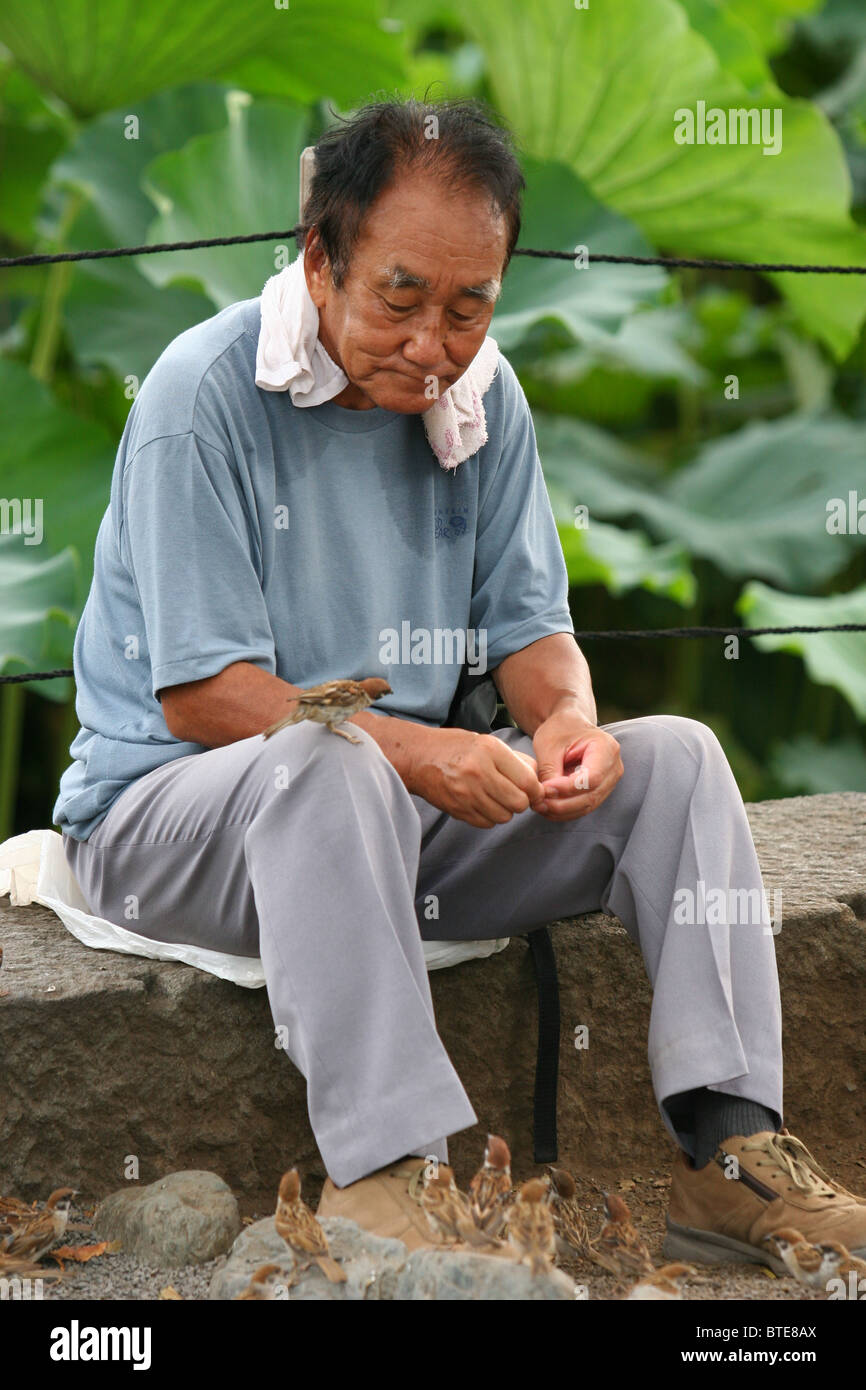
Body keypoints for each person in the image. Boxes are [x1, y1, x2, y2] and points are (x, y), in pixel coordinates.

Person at [55, 97, 866, 1265]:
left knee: (677, 760)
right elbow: (205, 696)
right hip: (170, 823)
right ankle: (385, 1174)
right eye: (400, 297)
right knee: (323, 762)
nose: (434, 343)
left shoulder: (481, 403)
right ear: (319, 256)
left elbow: (534, 637)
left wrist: (567, 724)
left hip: (390, 815)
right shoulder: (203, 395)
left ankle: (729, 1156)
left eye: (469, 305)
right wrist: (421, 752)